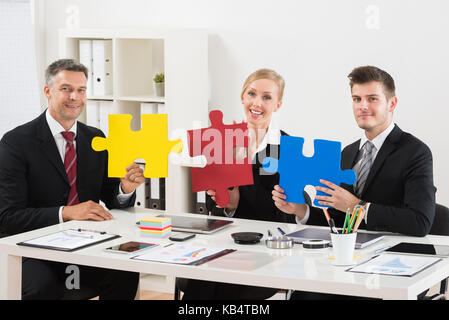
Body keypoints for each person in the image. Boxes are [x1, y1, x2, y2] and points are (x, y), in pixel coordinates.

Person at [272, 65, 436, 299]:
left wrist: (357, 207)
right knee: (302, 293)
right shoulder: (348, 153)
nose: (363, 106)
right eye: (357, 99)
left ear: (392, 104)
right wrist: (301, 210)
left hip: (390, 267)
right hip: (346, 264)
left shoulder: (415, 152)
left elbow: (420, 222)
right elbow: (336, 219)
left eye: (372, 98)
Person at [0, 59, 145, 300]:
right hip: (32, 247)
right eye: (66, 88)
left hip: (85, 242)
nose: (74, 97)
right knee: (40, 287)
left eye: (81, 90)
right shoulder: (16, 143)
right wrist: (66, 213)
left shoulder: (95, 138)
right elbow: (8, 217)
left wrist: (124, 188)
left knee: (125, 270)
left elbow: (112, 197)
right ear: (48, 91)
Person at [180, 68, 296, 300]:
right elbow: (214, 210)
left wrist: (239, 195)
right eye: (251, 94)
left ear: (278, 105)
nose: (257, 103)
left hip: (267, 247)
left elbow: (282, 213)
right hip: (225, 241)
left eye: (267, 97)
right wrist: (229, 205)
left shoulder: (288, 147)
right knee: (202, 279)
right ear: (243, 97)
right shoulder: (221, 142)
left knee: (228, 286)